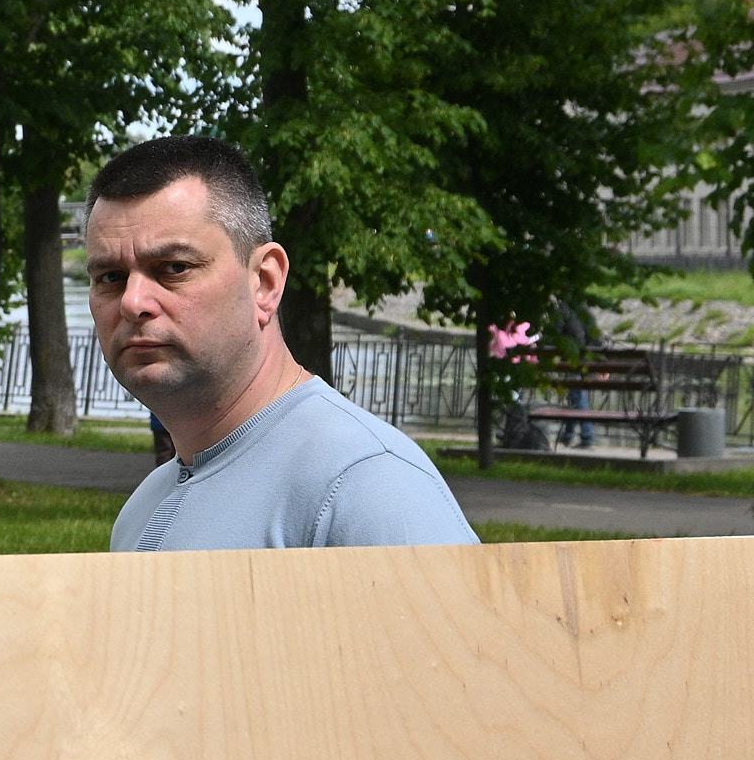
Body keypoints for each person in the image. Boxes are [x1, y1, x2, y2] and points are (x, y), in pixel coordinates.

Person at [87, 135, 475, 551]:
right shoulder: (142, 508)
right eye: (111, 277)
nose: (133, 303)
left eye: (174, 268)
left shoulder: (368, 487)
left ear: (265, 283)